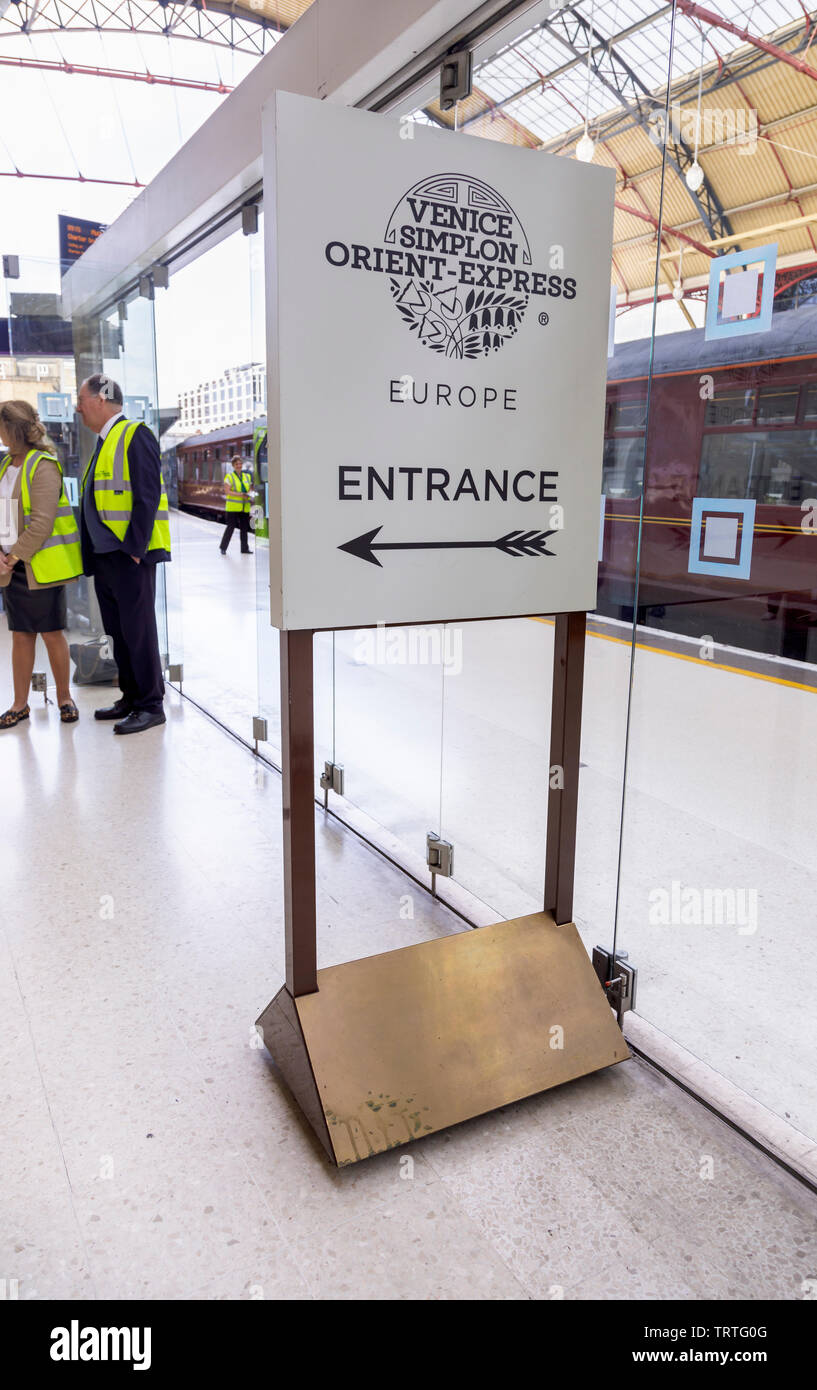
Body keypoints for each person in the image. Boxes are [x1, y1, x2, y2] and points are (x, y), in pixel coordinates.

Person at [77, 375, 171, 735]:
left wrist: (134, 550)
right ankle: (131, 698)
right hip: (107, 558)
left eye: (82, 400)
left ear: (101, 398)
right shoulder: (104, 442)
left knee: (139, 631)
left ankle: (151, 705)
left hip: (130, 556)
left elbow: (147, 495)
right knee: (119, 632)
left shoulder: (135, 434)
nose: (78, 408)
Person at [0, 401, 82, 728]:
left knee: (50, 633)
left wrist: (12, 556)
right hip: (12, 567)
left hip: (40, 566)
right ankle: (20, 705)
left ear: (13, 429)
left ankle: (65, 698)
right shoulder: (5, 465)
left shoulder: (43, 465)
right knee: (20, 635)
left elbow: (43, 523)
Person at [219, 453, 254, 554]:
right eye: (237, 464)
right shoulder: (229, 477)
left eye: (240, 463)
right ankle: (223, 548)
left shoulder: (247, 476)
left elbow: (250, 488)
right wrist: (240, 494)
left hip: (244, 506)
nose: (239, 465)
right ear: (233, 465)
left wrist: (250, 493)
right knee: (230, 528)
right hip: (233, 507)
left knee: (244, 529)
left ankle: (244, 548)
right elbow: (227, 491)